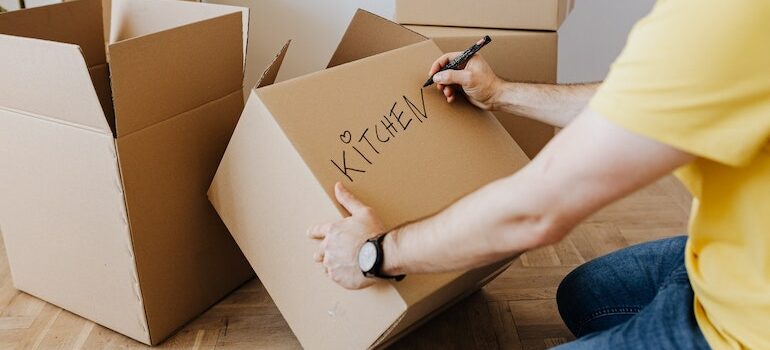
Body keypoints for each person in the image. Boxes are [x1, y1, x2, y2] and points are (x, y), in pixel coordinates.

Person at [308, 1, 769, 348]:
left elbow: (536, 211)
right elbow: (640, 104)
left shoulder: (732, 17)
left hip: (751, 325)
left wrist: (375, 254)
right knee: (586, 296)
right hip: (743, 253)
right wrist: (499, 93)